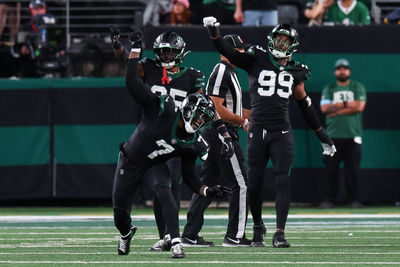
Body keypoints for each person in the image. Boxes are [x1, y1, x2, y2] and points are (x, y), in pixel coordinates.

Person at [202, 16, 337, 248]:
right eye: (279, 39)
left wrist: (322, 136)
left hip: (282, 130)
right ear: (271, 39)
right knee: (254, 182)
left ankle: (280, 232)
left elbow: (305, 107)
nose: (282, 44)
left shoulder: (297, 71)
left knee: (282, 180)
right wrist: (214, 32)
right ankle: (257, 227)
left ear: (293, 45)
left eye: (286, 41)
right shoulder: (257, 57)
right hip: (257, 128)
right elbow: (230, 53)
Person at [114, 30, 234, 258]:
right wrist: (120, 47)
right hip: (150, 135)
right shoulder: (153, 82)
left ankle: (171, 237)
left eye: (171, 52)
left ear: (180, 52)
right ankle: (160, 235)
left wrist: (223, 132)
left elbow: (206, 107)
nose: (167, 56)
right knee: (124, 207)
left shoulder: (192, 78)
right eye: (163, 52)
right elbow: (130, 73)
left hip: (178, 138)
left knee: (169, 186)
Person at [181, 34, 251, 247]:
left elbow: (232, 107)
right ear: (228, 51)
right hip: (221, 133)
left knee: (209, 184)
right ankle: (234, 236)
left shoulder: (230, 72)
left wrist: (259, 114)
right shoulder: (222, 70)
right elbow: (214, 106)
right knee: (241, 185)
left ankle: (189, 235)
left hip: (217, 134)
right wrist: (242, 122)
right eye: (239, 50)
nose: (243, 53)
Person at [319, 58, 367, 209]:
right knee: (330, 170)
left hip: (353, 135)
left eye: (345, 68)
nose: (342, 71)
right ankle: (328, 200)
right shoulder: (330, 88)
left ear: (349, 71)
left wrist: (337, 109)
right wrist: (348, 106)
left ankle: (352, 200)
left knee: (352, 171)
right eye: (339, 68)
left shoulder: (357, 87)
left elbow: (359, 107)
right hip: (332, 136)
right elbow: (325, 109)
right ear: (335, 71)